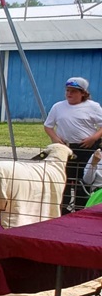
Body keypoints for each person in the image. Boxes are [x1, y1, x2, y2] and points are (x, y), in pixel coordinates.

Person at [44, 76, 102, 213]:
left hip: (86, 148)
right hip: (66, 148)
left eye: (74, 91)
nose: (69, 94)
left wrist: (94, 138)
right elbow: (48, 126)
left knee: (83, 181)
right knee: (64, 179)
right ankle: (62, 210)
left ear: (83, 93)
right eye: (67, 91)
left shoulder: (93, 107)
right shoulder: (58, 107)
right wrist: (55, 139)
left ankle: (80, 210)